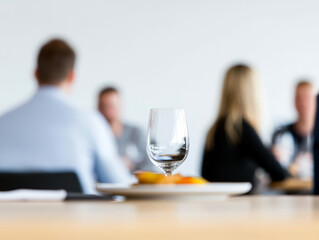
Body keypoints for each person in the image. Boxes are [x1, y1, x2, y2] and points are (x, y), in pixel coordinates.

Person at [0, 39, 132, 194]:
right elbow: (120, 184)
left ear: (35, 74)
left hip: (11, 218)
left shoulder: (3, 123)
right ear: (71, 76)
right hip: (77, 218)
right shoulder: (90, 122)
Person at [201, 64, 287, 192]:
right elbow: (279, 174)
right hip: (239, 208)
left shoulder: (215, 128)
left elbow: (205, 174)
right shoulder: (240, 127)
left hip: (216, 207)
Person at [98, 87, 153, 173]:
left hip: (132, 184)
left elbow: (153, 166)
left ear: (120, 107)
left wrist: (133, 166)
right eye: (103, 107)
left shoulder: (137, 133)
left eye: (111, 106)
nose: (107, 112)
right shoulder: (95, 136)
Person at [272, 81, 316, 179]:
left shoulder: (316, 135)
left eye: (307, 98)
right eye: (298, 98)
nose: (303, 103)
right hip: (287, 191)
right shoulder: (280, 134)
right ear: (293, 101)